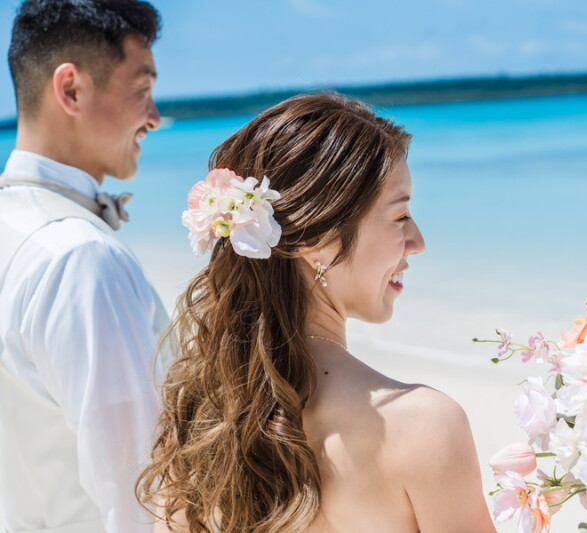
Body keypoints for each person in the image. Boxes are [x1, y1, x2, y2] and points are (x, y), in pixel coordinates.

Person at [137, 93, 497, 533]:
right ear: (317, 240)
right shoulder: (423, 426)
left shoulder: (202, 418)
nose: (417, 240)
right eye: (400, 216)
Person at [0, 1, 167, 532]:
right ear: (70, 89)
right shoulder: (80, 258)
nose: (154, 117)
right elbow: (140, 494)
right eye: (142, 88)